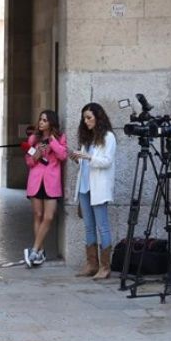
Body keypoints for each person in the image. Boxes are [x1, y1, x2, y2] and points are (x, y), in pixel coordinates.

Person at [73, 103, 118, 280]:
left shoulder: (108, 137)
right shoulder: (87, 138)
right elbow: (87, 163)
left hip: (98, 187)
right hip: (84, 186)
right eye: (84, 118)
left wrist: (88, 157)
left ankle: (105, 267)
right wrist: (78, 158)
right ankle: (91, 264)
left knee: (103, 227)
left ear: (98, 118)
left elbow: (106, 161)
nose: (86, 121)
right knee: (88, 227)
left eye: (89, 118)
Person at [20, 110, 68, 268]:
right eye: (40, 119)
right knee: (38, 215)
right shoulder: (33, 139)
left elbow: (62, 156)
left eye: (45, 120)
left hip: (51, 182)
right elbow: (29, 161)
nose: (41, 123)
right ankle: (39, 251)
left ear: (51, 123)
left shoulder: (60, 137)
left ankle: (34, 250)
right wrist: (37, 155)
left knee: (49, 216)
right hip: (36, 180)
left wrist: (53, 142)